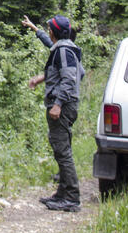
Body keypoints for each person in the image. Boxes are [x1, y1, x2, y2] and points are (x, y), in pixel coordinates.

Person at [21, 14, 83, 212]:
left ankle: (72, 197)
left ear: (54, 32)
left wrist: (58, 104)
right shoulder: (64, 48)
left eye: (49, 28)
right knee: (60, 147)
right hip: (64, 105)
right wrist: (34, 28)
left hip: (62, 107)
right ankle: (62, 193)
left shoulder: (64, 51)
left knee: (62, 150)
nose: (48, 31)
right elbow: (68, 70)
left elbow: (70, 78)